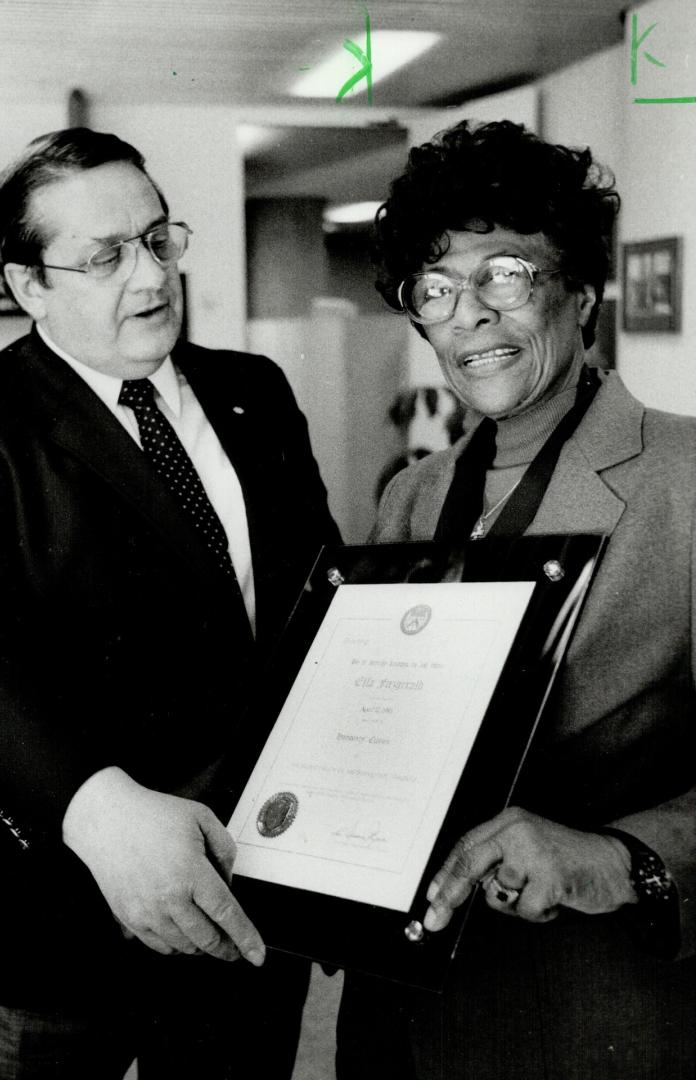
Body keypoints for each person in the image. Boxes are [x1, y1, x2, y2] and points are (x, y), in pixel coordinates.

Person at [0, 127, 340, 1080]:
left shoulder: (255, 391)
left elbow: (312, 609)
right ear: (28, 283)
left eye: (159, 238)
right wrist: (100, 809)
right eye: (105, 257)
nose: (151, 277)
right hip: (24, 924)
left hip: (233, 896)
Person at [336, 120, 695, 1079]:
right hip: (403, 1001)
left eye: (505, 274)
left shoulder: (687, 479)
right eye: (438, 288)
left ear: (581, 290)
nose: (470, 317)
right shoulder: (410, 495)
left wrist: (624, 861)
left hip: (592, 1004)